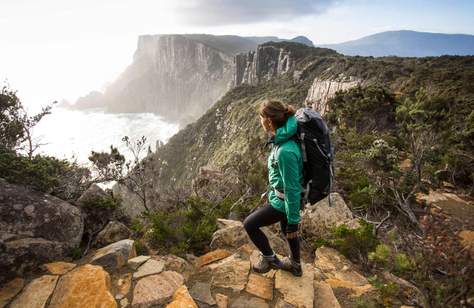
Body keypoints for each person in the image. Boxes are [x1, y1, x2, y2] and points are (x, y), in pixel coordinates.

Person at [243, 99, 304, 277]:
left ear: (269, 121)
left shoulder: (285, 150)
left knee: (250, 224)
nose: (260, 121)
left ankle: (269, 258)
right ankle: (295, 265)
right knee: (287, 232)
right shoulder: (284, 136)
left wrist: (294, 220)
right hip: (282, 198)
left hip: (285, 202)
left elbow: (292, 188)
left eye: (261, 118)